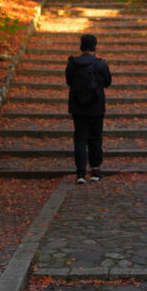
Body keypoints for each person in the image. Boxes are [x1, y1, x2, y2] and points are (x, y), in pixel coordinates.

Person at [65, 32, 112, 184]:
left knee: (79, 139)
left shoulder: (72, 63)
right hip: (96, 106)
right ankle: (96, 171)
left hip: (77, 106)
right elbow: (108, 82)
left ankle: (80, 174)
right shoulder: (100, 64)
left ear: (81, 46)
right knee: (95, 138)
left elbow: (68, 81)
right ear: (95, 47)